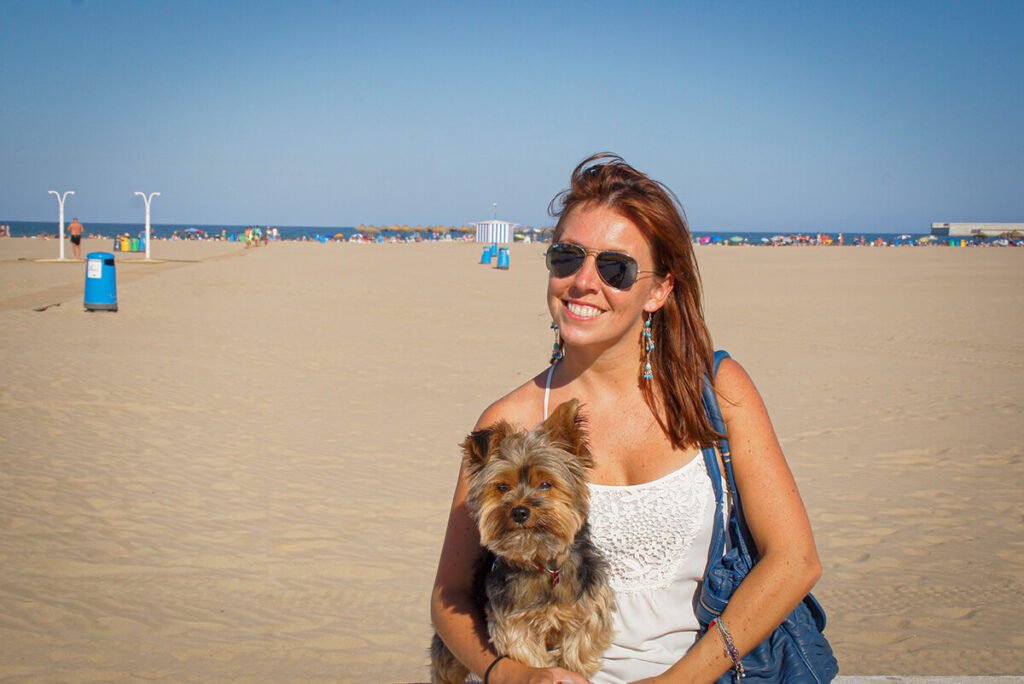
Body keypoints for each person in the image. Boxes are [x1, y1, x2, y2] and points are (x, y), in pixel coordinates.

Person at [431, 153, 823, 684]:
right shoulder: (511, 420)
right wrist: (509, 675)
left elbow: (794, 561)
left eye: (614, 268)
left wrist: (677, 681)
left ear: (659, 290)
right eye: (566, 257)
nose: (583, 282)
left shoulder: (715, 391)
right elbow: (450, 595)